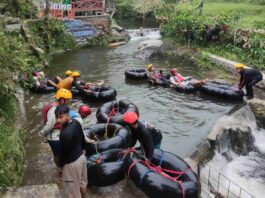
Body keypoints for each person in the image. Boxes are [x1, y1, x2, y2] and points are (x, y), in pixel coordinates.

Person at [55, 104, 87, 198]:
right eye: (57, 117)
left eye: (61, 117)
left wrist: (60, 167)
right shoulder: (76, 122)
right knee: (83, 183)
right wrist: (84, 149)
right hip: (82, 158)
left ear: (68, 115)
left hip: (71, 164)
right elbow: (82, 138)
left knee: (72, 192)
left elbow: (64, 154)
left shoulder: (64, 134)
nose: (58, 120)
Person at [39, 88, 72, 166]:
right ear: (62, 100)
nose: (69, 101)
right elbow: (49, 125)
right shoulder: (54, 110)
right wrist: (42, 133)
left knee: (60, 153)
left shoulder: (56, 106)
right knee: (57, 155)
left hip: (56, 134)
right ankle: (59, 169)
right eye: (68, 100)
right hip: (54, 137)